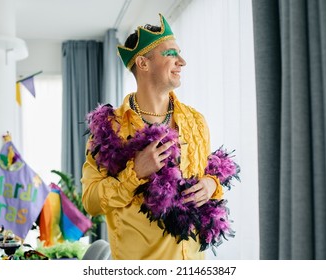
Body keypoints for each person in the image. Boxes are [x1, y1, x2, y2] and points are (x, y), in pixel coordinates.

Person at [81, 14, 229, 260]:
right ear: (143, 63)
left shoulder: (196, 121)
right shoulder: (110, 127)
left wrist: (211, 184)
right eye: (171, 54)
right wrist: (135, 173)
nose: (182, 61)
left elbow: (207, 174)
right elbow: (91, 202)